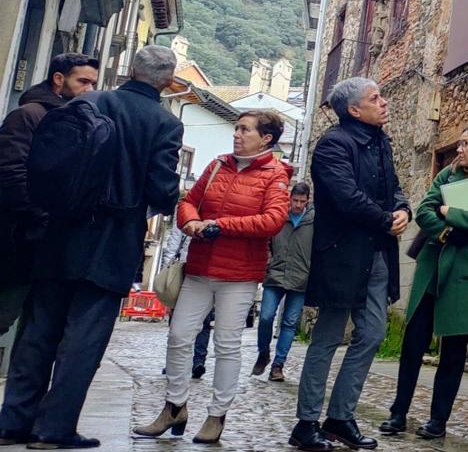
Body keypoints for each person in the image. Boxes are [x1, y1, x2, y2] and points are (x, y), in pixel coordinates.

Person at [0, 45, 182, 450]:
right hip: (112, 241)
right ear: (168, 82)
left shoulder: (88, 101)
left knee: (38, 331)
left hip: (60, 232)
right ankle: (53, 429)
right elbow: (162, 188)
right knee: (84, 339)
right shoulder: (163, 123)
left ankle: (13, 421)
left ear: (130, 70)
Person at [134, 110, 291, 444]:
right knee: (178, 336)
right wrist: (190, 222)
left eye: (244, 129)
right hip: (200, 267)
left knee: (227, 344)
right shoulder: (218, 164)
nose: (236, 134)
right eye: (236, 128)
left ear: (265, 139)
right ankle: (175, 406)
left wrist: (221, 225)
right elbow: (188, 202)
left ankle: (217, 415)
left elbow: (273, 220)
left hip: (239, 275)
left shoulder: (276, 175)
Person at [288, 78, 410, 452]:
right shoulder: (332, 146)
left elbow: (394, 188)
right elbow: (346, 196)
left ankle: (340, 417)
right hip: (342, 254)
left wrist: (403, 209)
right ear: (354, 110)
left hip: (376, 254)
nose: (384, 103)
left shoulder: (380, 142)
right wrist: (385, 219)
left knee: (372, 334)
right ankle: (306, 424)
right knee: (327, 336)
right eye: (375, 99)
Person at [380, 124, 468, 440]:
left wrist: (449, 209)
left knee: (453, 351)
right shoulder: (446, 175)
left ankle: (438, 421)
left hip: (465, 274)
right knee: (413, 343)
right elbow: (424, 211)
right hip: (433, 267)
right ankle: (398, 414)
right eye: (459, 144)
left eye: (465, 144)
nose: (459, 150)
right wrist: (447, 230)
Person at [0, 53, 99, 337]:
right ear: (59, 79)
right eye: (82, 81)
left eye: (93, 83)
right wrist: (40, 216)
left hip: (48, 243)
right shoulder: (28, 115)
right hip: (15, 237)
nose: (89, 89)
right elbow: (9, 172)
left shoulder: (81, 122)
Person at [252, 180, 313, 382]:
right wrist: (268, 262)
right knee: (267, 316)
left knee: (290, 322)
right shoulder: (279, 217)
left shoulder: (314, 221)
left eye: (301, 201)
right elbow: (266, 241)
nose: (297, 205)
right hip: (275, 274)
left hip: (300, 277)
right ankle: (263, 352)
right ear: (290, 198)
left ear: (307, 201)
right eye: (295, 200)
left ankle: (278, 365)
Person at [158, 221, 215, 378]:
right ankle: (187, 361)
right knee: (189, 321)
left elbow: (172, 246)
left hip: (200, 268)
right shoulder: (186, 211)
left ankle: (189, 362)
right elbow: (173, 243)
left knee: (192, 320)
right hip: (188, 270)